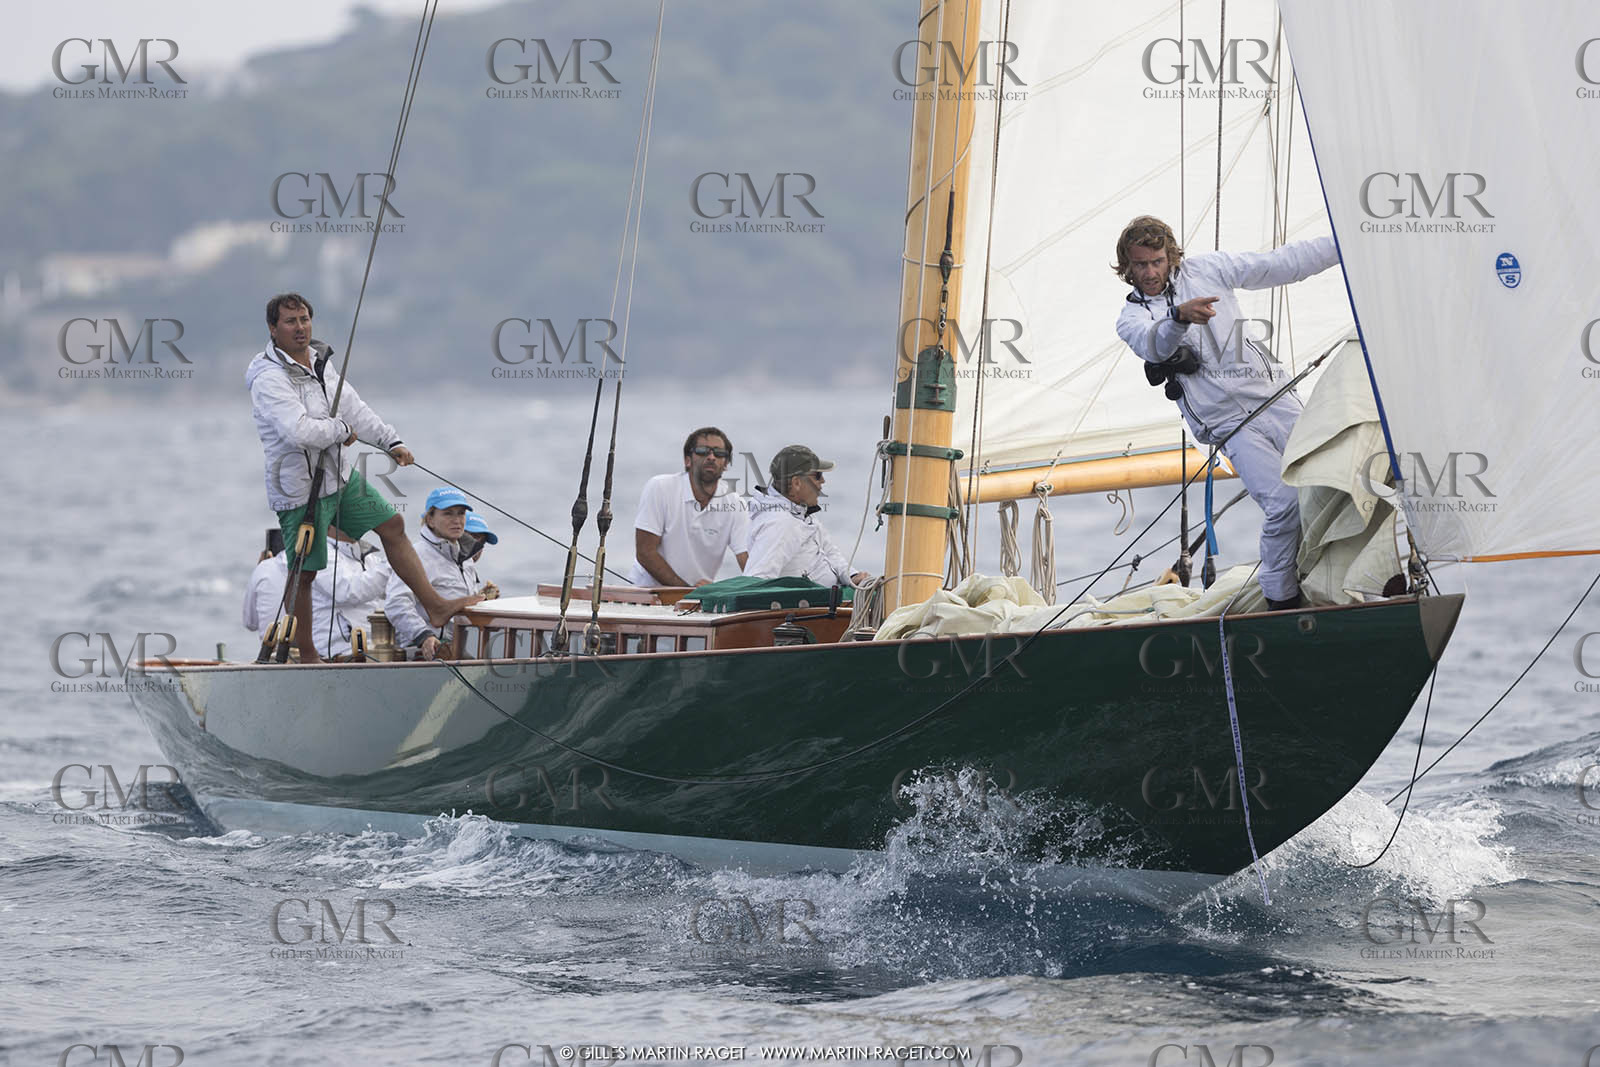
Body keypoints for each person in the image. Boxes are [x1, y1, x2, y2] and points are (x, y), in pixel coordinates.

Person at [1111, 216, 1340, 610]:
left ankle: (1342, 586)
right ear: (1127, 267)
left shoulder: (1209, 269)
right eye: (1140, 265)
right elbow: (1155, 346)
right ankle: (1280, 599)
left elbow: (1283, 263)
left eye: (1157, 262)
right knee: (1284, 504)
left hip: (1274, 397)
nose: (1150, 272)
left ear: (1172, 258)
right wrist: (1179, 317)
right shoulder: (1132, 318)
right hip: (1228, 425)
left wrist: (1344, 244)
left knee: (1334, 479)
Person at [246, 291, 480, 662]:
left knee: (393, 524)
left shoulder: (321, 362)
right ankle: (307, 654)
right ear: (273, 329)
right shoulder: (267, 377)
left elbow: (352, 405)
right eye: (290, 322)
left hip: (337, 478)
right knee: (305, 572)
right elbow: (299, 431)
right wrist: (341, 430)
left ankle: (435, 605)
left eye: (305, 319)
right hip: (297, 489)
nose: (300, 327)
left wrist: (390, 440)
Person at [627, 426, 750, 588]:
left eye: (719, 453)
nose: (711, 457)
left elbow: (748, 561)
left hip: (696, 600)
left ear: (726, 463)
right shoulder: (660, 487)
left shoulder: (735, 503)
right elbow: (645, 552)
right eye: (702, 451)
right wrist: (685, 591)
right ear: (687, 460)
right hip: (646, 594)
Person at [243, 527, 392, 659]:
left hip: (273, 655)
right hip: (316, 652)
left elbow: (250, 623)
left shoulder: (265, 568)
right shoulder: (317, 560)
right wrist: (396, 560)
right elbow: (348, 591)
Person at [385, 487, 488, 661]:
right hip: (422, 655)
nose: (457, 520)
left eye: (461, 513)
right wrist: (423, 637)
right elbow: (396, 603)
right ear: (430, 520)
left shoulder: (466, 559)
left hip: (456, 652)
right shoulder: (416, 555)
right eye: (448, 514)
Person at [746, 445, 870, 587]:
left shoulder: (801, 513)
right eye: (818, 476)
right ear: (796, 483)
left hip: (828, 600)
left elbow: (830, 553)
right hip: (811, 607)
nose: (823, 481)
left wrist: (852, 576)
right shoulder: (780, 523)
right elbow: (756, 579)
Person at [463, 513, 501, 600]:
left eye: (482, 542)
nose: (478, 547)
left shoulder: (469, 568)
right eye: (472, 539)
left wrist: (483, 598)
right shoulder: (444, 564)